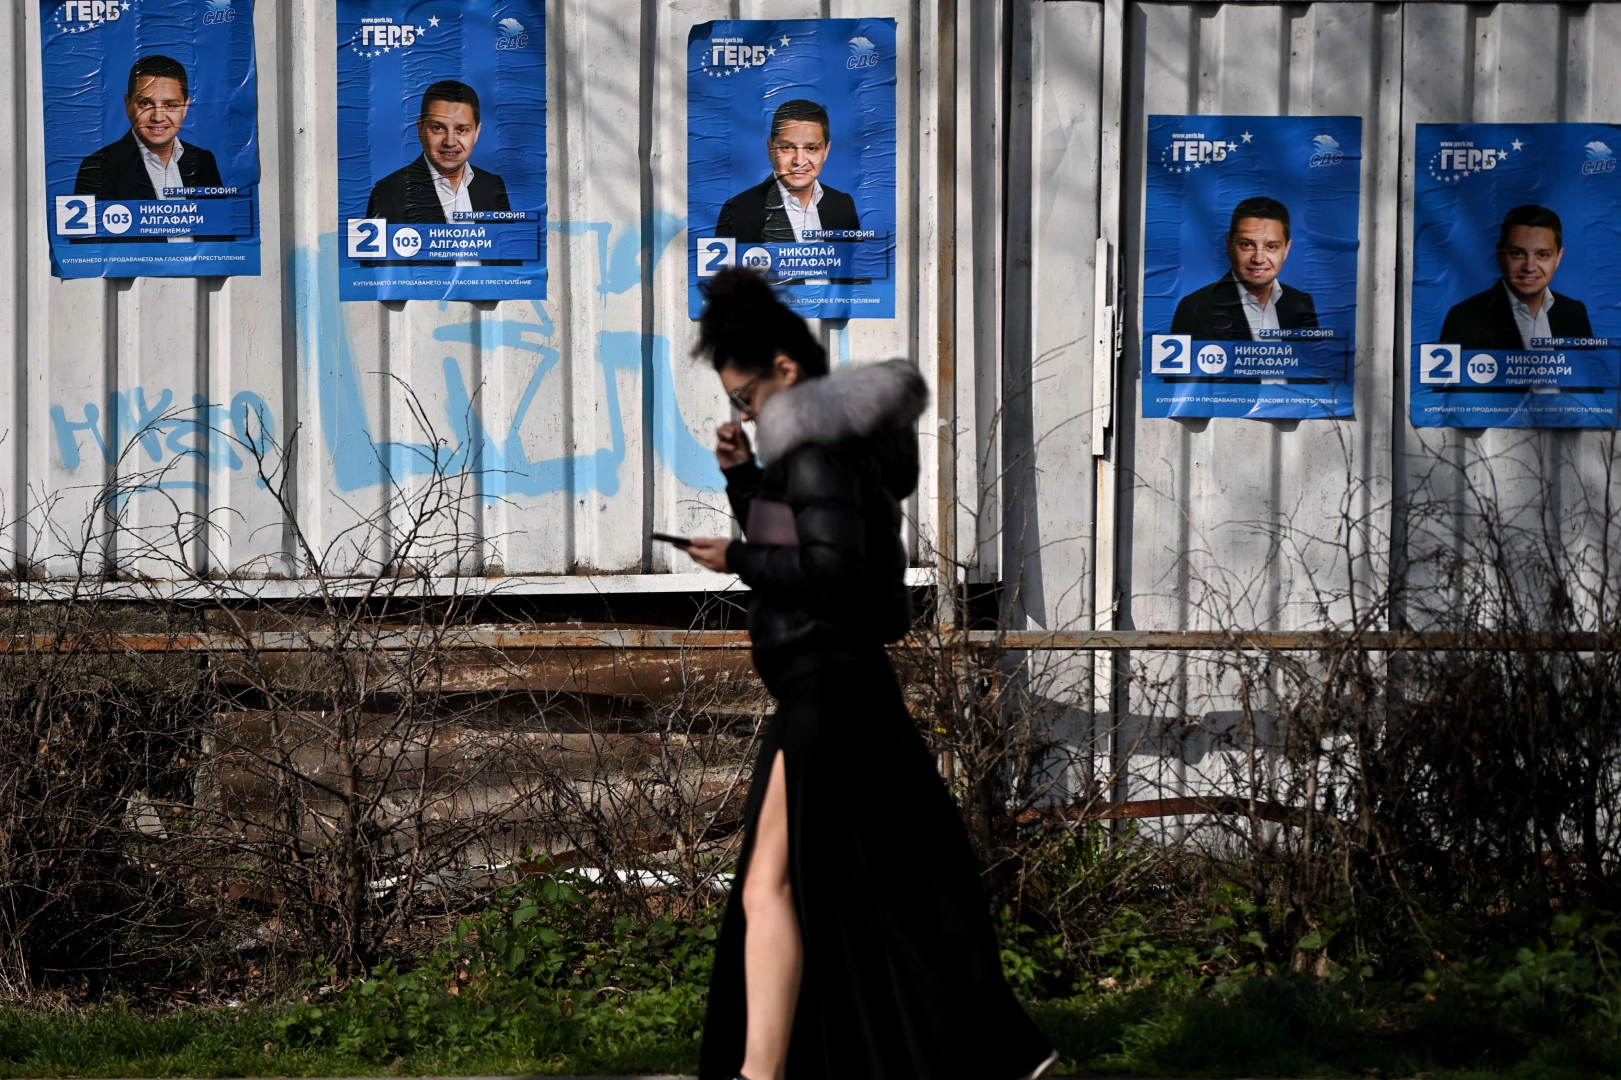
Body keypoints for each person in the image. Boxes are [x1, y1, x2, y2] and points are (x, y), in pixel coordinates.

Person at [679, 268, 1056, 1080]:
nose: (744, 413)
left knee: (784, 886)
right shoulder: (815, 455)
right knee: (848, 885)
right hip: (825, 685)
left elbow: (833, 574)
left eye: (746, 397)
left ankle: (768, 1073)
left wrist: (735, 555)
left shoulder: (819, 455)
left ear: (785, 371)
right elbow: (797, 548)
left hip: (827, 686)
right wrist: (743, 480)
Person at [1439, 204, 1593, 349]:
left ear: (1558, 258)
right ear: (1500, 254)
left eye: (1542, 255)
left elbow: (1589, 369)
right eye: (1517, 253)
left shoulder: (1575, 314)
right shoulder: (1464, 319)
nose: (1529, 267)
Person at [74, 55, 223, 200]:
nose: (158, 117)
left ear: (185, 108)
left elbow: (218, 216)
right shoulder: (97, 168)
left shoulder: (204, 161)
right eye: (146, 103)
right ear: (128, 105)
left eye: (170, 105)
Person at [1171, 196, 1319, 341]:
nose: (1258, 259)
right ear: (1229, 245)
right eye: (1247, 245)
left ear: (1286, 250)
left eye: (1271, 246)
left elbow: (1313, 357)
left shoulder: (1301, 303)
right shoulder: (1194, 308)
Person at [714, 99, 860, 243]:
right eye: (788, 147)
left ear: (826, 151)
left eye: (811, 148)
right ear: (771, 150)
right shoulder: (736, 212)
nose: (799, 161)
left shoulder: (843, 205)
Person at [365, 80, 511, 223]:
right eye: (438, 128)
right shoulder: (388, 192)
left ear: (476, 133)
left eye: (461, 130)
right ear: (420, 129)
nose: (450, 142)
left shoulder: (493, 186)